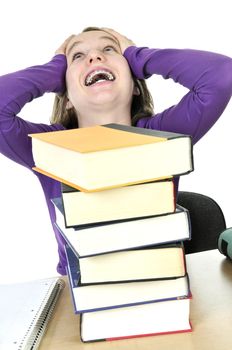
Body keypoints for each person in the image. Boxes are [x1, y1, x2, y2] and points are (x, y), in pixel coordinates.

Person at [0, 27, 232, 275]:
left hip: (160, 287)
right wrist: (54, 70)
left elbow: (221, 75)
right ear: (66, 98)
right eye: (78, 56)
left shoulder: (163, 134)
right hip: (81, 300)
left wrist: (138, 56)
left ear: (135, 86)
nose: (95, 57)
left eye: (109, 49)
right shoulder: (50, 149)